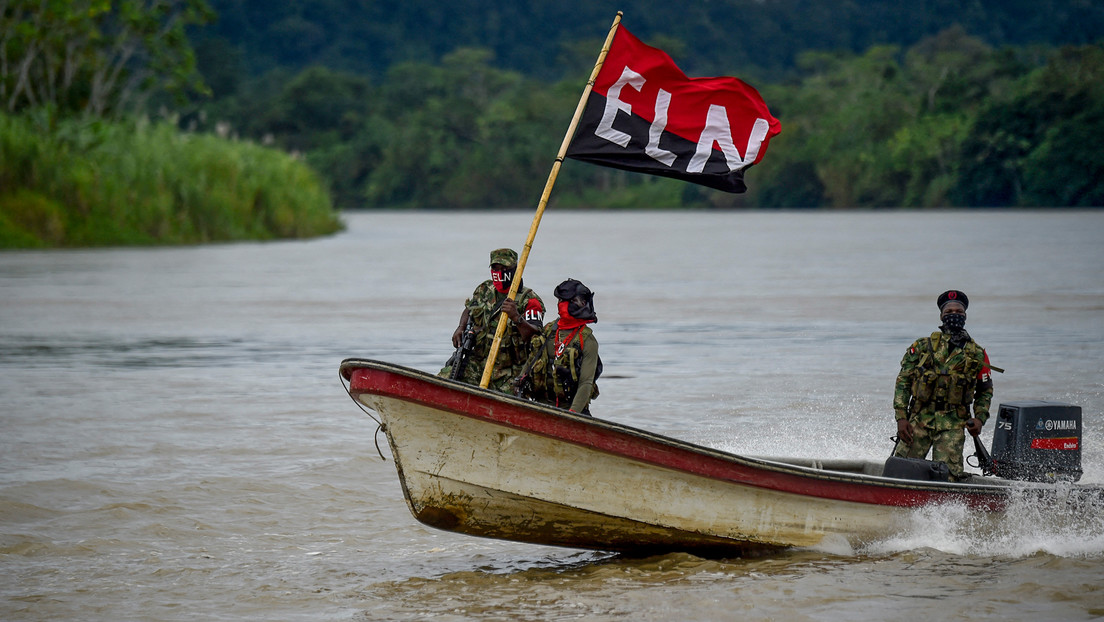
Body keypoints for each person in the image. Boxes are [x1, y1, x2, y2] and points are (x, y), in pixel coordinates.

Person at [892, 289, 994, 481]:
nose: (954, 316)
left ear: (965, 316)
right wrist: (901, 418)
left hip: (953, 424)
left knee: (948, 478)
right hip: (919, 420)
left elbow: (985, 391)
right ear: (941, 316)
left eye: (959, 312)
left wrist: (980, 419)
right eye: (949, 313)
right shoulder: (922, 346)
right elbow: (903, 382)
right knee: (901, 471)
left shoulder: (978, 354)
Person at [440, 248, 545, 393]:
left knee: (508, 400)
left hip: (508, 373)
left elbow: (534, 335)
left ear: (515, 269)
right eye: (496, 268)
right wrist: (461, 326)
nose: (500, 272)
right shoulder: (484, 289)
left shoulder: (530, 300)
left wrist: (516, 317)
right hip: (477, 363)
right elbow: (470, 309)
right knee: (445, 378)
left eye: (505, 268)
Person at [515, 278, 602, 415]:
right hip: (541, 404)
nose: (560, 304)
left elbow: (586, 383)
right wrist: (518, 385)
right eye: (559, 301)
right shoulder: (550, 331)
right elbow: (532, 360)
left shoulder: (588, 341)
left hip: (570, 408)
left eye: (565, 301)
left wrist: (572, 414)